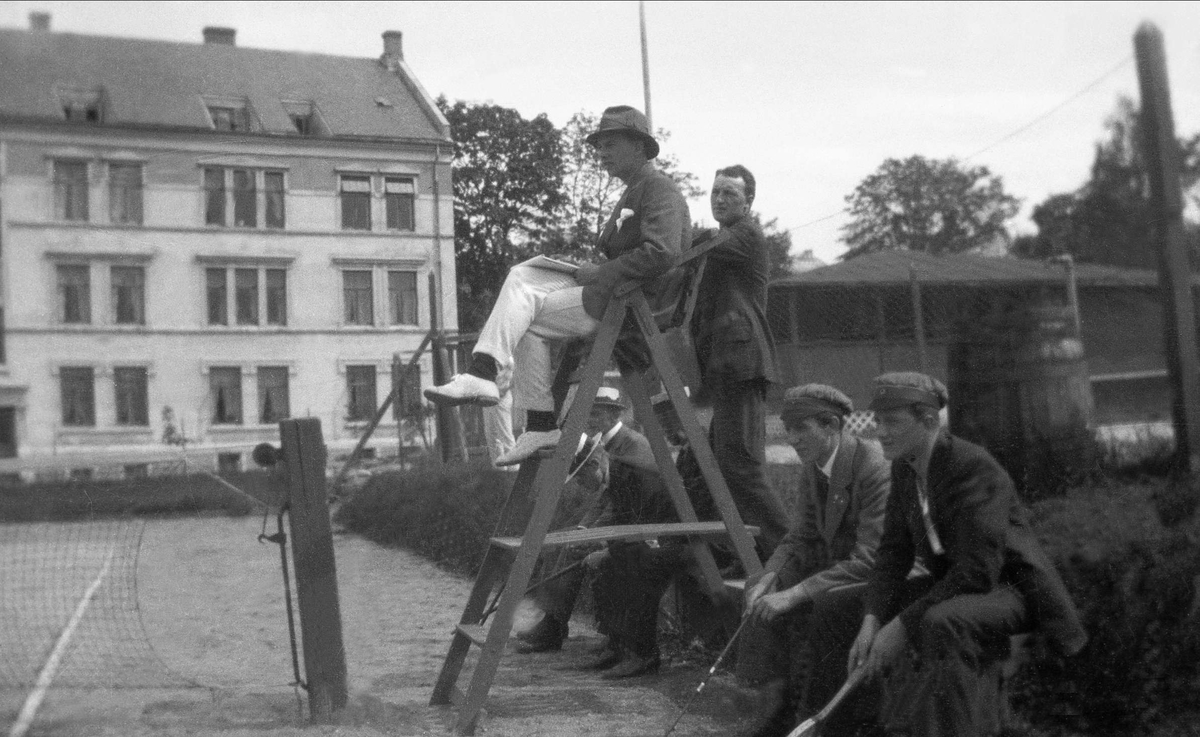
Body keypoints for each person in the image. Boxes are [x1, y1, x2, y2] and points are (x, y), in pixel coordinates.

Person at [425, 105, 691, 467]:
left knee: (523, 290)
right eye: (599, 145)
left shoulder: (659, 189)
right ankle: (537, 423)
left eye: (610, 144)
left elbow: (662, 253)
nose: (601, 153)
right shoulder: (637, 190)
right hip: (616, 296)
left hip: (630, 305)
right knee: (524, 295)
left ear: (640, 147)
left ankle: (484, 373)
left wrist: (599, 272)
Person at [846, 372, 1087, 737]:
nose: (879, 431)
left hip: (1011, 588)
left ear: (929, 421)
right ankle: (848, 727)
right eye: (877, 421)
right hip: (960, 585)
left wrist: (899, 625)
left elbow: (978, 572)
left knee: (942, 621)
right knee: (843, 607)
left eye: (891, 422)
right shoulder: (905, 467)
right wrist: (873, 618)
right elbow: (894, 551)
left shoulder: (971, 465)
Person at [740, 384, 892, 737]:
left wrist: (794, 594)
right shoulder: (815, 464)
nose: (792, 438)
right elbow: (799, 537)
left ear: (831, 426)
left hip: (878, 575)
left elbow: (871, 557)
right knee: (756, 587)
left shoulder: (873, 468)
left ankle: (813, 716)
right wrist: (769, 577)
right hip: (837, 569)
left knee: (820, 604)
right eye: (788, 429)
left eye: (801, 428)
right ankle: (774, 707)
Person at [513, 387, 670, 654]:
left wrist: (593, 534)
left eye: (596, 413)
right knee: (560, 544)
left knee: (575, 550)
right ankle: (551, 621)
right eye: (589, 413)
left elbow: (632, 502)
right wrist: (583, 528)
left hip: (641, 526)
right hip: (622, 522)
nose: (591, 419)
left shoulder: (633, 444)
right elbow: (604, 496)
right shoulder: (606, 442)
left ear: (614, 414)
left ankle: (554, 627)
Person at [688, 165, 788, 561]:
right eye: (714, 191)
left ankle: (792, 553)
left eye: (729, 192)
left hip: (742, 364)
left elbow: (700, 245)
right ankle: (731, 553)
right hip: (726, 367)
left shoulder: (743, 235)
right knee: (709, 465)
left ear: (748, 202)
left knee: (740, 465)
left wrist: (673, 234)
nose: (719, 199)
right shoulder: (724, 243)